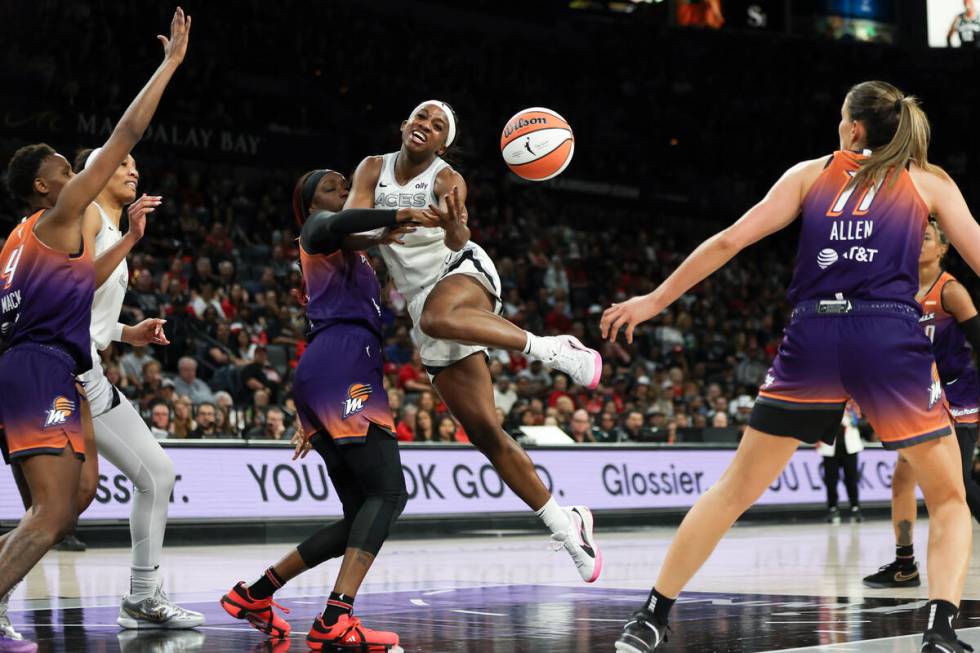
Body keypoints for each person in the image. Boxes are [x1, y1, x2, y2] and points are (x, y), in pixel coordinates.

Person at [602, 81, 977, 652]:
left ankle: (651, 615)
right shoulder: (928, 182)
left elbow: (730, 241)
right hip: (887, 336)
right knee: (949, 498)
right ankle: (940, 632)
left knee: (733, 490)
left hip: (813, 336)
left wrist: (654, 300)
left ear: (853, 129)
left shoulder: (809, 174)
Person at [346, 100, 603, 582]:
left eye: (437, 124)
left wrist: (450, 222)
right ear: (404, 125)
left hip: (460, 272)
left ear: (444, 143)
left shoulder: (448, 181)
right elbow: (348, 230)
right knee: (485, 432)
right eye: (420, 117)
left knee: (443, 315)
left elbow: (458, 236)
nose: (425, 125)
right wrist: (396, 221)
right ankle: (565, 524)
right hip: (424, 305)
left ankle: (552, 349)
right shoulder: (371, 168)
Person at [0, 10, 190, 651]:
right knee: (54, 510)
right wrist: (167, 67)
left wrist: (127, 328)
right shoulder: (59, 215)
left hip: (48, 361)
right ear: (44, 185)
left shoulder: (27, 240)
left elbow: (77, 293)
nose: (71, 171)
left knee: (76, 495)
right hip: (41, 367)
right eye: (63, 166)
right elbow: (125, 130)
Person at [221, 168, 433, 649]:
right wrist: (395, 213)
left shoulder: (345, 249)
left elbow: (348, 236)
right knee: (388, 495)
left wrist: (381, 232)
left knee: (359, 514)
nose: (342, 186)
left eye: (343, 183)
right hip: (343, 367)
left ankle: (255, 594)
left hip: (327, 371)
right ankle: (336, 618)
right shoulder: (315, 228)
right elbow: (326, 225)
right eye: (331, 185)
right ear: (310, 200)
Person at [70, 146, 203, 628]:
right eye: (122, 163)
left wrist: (128, 332)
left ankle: (143, 597)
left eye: (134, 164)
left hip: (89, 368)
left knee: (157, 474)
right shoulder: (84, 212)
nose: (134, 170)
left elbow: (86, 312)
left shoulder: (104, 222)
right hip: (65, 372)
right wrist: (129, 238)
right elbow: (75, 283)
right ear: (96, 171)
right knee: (58, 507)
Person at [863, 219, 980, 589]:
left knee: (957, 483)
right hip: (918, 398)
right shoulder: (897, 291)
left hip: (959, 396)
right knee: (902, 478)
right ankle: (904, 565)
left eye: (926, 238)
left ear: (943, 248)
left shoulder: (951, 292)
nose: (917, 243)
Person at [819, 403, 863, 523]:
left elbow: (859, 420)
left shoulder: (852, 404)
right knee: (831, 480)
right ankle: (833, 508)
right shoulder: (825, 404)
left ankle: (855, 507)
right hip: (830, 448)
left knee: (851, 478)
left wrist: (850, 414)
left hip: (850, 448)